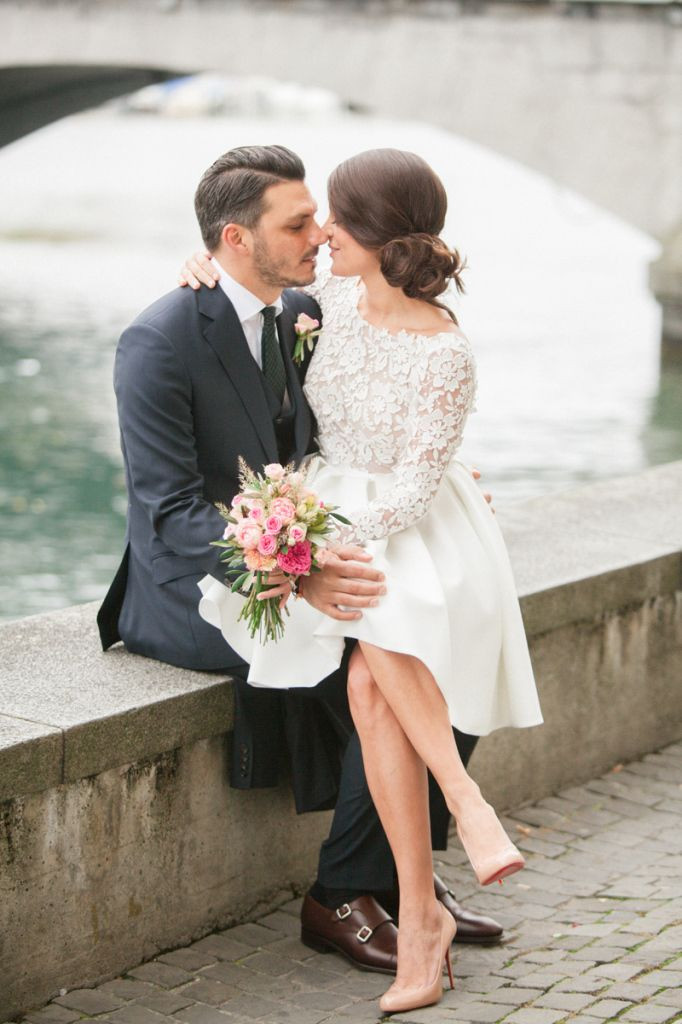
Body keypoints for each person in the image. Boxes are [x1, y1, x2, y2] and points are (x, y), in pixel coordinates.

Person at [99, 144, 505, 995]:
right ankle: (346, 894)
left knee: (445, 619)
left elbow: (354, 416)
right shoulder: (158, 340)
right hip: (195, 587)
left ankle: (396, 884)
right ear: (236, 239)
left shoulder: (302, 309)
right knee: (385, 650)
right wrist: (298, 570)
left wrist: (441, 482)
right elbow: (169, 514)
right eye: (298, 224)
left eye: (322, 217)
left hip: (310, 538)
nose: (319, 233)